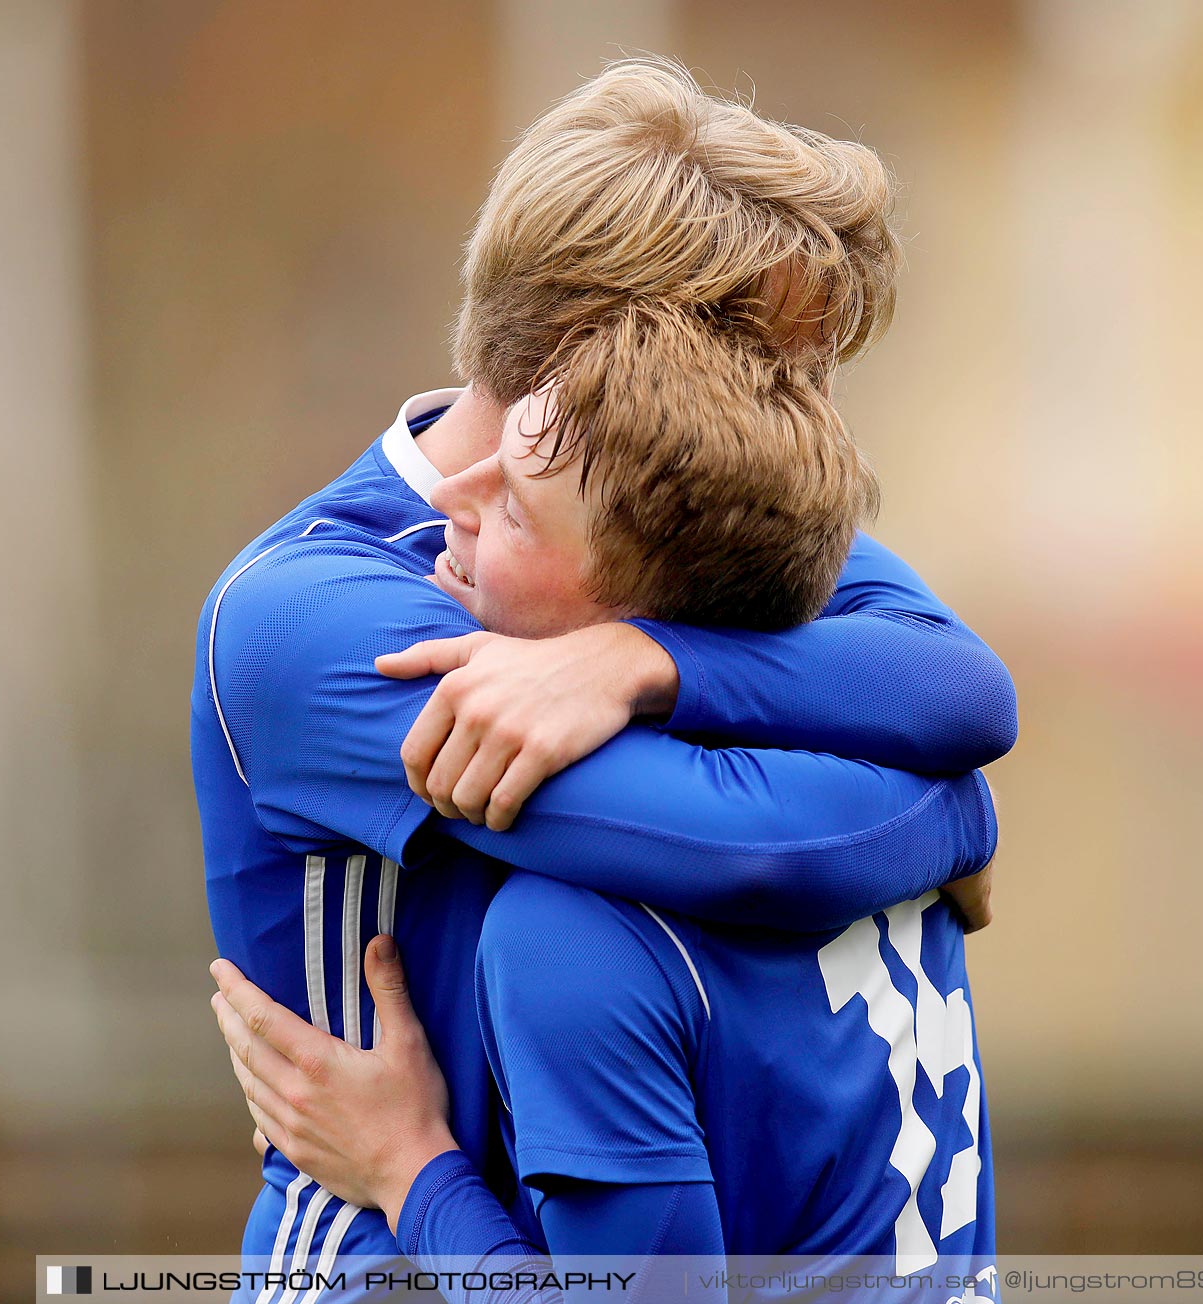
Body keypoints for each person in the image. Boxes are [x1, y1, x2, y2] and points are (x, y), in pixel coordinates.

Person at [192, 58, 1015, 1301]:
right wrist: (955, 813)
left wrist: (650, 657)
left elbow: (960, 690)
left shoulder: (651, 536)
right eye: (774, 359)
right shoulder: (310, 615)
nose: (793, 410)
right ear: (610, 354)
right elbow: (755, 842)